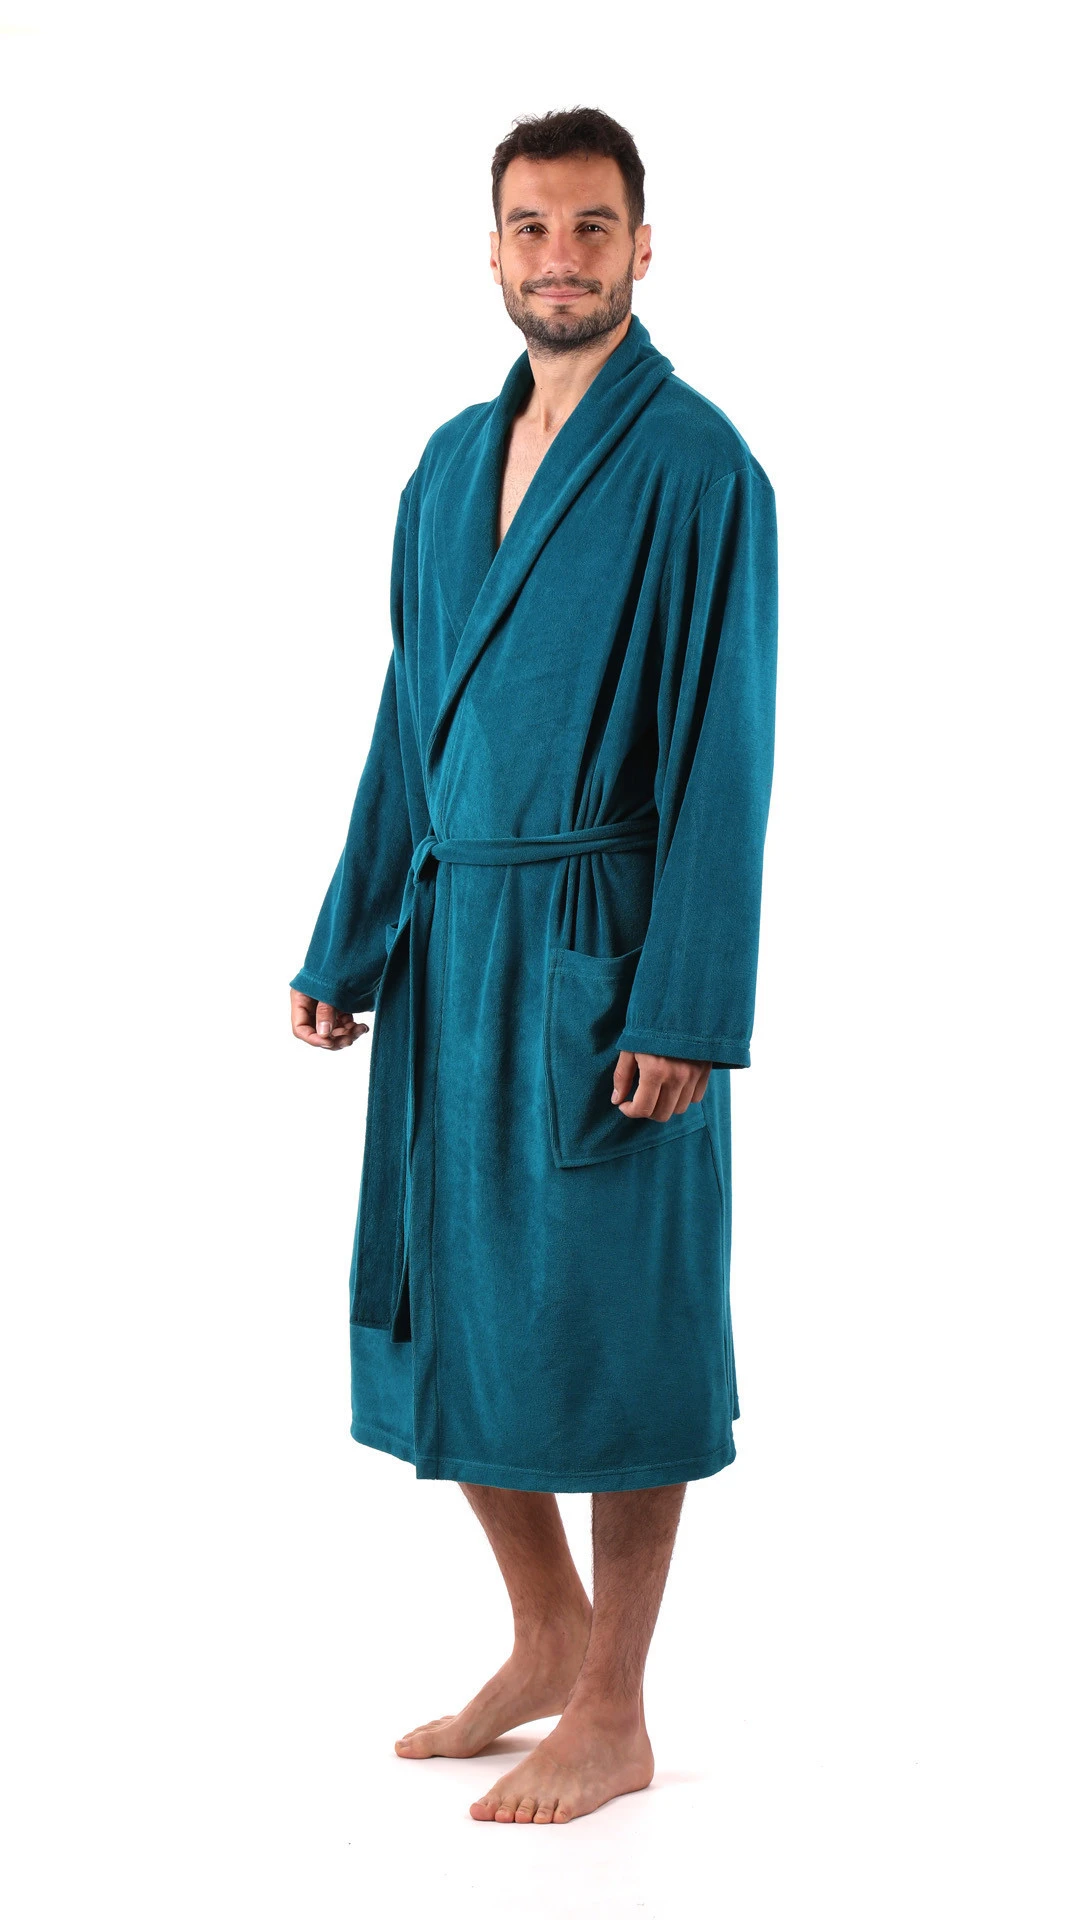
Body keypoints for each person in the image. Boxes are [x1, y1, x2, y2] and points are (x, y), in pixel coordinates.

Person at [290, 106, 778, 1825]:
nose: (558, 259)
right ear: (491, 249)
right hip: (451, 943)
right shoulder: (444, 467)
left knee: (620, 1314)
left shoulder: (700, 468)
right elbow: (409, 718)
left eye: (590, 227)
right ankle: (543, 1633)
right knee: (450, 1292)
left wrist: (687, 1004)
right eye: (529, 228)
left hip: (603, 947)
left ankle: (617, 1707)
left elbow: (726, 751)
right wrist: (352, 929)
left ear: (645, 246)